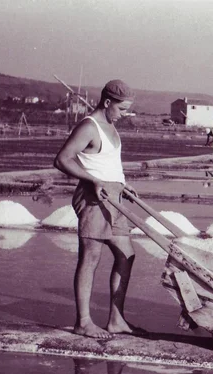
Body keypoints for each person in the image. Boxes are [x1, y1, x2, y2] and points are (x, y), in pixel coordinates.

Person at [54, 79, 146, 339]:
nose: (125, 114)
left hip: (115, 197)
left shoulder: (111, 126)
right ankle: (83, 322)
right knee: (90, 258)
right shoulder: (89, 126)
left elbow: (109, 163)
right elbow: (62, 159)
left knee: (126, 255)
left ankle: (116, 320)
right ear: (107, 103)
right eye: (123, 109)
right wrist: (92, 180)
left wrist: (123, 186)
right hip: (94, 197)